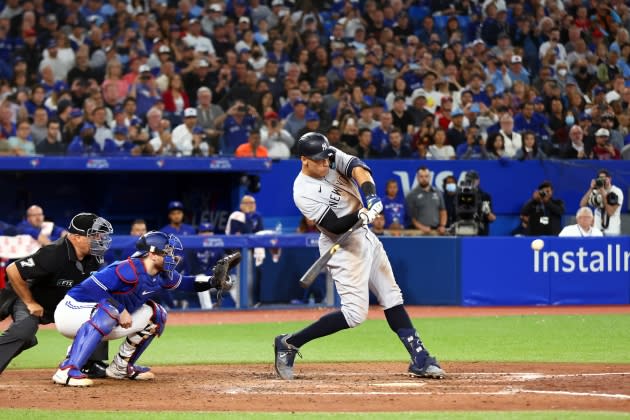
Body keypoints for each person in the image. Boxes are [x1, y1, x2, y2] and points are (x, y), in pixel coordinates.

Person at [274, 132, 444, 380]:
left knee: (391, 296)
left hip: (364, 236)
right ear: (304, 160)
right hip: (342, 245)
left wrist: (371, 195)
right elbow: (334, 226)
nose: (325, 163)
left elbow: (358, 168)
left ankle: (420, 358)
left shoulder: (330, 156)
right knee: (355, 315)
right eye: (319, 160)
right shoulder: (302, 191)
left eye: (326, 158)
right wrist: (359, 215)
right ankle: (289, 342)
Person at [52, 231, 239, 386]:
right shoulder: (126, 269)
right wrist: (119, 309)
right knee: (110, 311)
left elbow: (187, 283)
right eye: (167, 252)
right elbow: (91, 288)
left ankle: (120, 367)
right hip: (71, 312)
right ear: (152, 254)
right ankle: (67, 370)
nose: (172, 256)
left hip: (101, 317)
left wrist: (213, 282)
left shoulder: (162, 274)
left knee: (157, 314)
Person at [0, 213, 113, 377]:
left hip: (62, 304)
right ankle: (23, 339)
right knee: (25, 330)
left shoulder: (95, 257)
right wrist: (30, 302)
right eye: (94, 235)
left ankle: (90, 363)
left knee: (101, 313)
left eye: (100, 235)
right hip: (33, 298)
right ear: (76, 237)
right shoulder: (53, 254)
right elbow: (13, 270)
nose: (99, 239)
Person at [579, 169, 624, 236]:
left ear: (609, 179)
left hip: (612, 231)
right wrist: (591, 188)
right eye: (600, 179)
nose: (602, 180)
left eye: (604, 178)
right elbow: (582, 205)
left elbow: (610, 212)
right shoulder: (596, 191)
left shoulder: (616, 192)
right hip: (597, 231)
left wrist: (602, 191)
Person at [405, 167, 447, 236]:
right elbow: (411, 217)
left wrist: (442, 225)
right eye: (421, 176)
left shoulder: (438, 192)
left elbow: (443, 211)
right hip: (419, 232)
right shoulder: (411, 195)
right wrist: (421, 227)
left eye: (426, 176)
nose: (424, 179)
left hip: (436, 231)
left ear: (430, 177)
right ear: (417, 178)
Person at [463, 170, 496, 236]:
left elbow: (492, 219)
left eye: (473, 180)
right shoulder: (461, 195)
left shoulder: (485, 196)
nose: (471, 182)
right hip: (466, 230)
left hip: (481, 231)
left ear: (478, 181)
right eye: (469, 180)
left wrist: (487, 212)